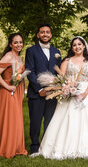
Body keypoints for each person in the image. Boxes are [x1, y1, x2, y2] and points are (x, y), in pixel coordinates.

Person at [36, 36, 88, 159]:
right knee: (67, 120)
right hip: (70, 95)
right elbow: (61, 78)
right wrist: (67, 88)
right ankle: (63, 147)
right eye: (74, 45)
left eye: (79, 44)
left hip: (87, 94)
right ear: (72, 48)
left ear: (83, 46)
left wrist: (85, 93)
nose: (77, 47)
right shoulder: (67, 61)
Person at [25, 24, 61, 154]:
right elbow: (30, 71)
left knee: (50, 120)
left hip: (52, 92)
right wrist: (39, 90)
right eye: (42, 32)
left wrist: (56, 87)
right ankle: (34, 147)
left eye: (48, 32)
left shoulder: (56, 52)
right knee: (35, 121)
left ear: (51, 35)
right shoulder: (31, 51)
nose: (45, 34)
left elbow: (59, 72)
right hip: (36, 93)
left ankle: (47, 146)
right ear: (38, 35)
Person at [0, 33, 27, 158]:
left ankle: (16, 147)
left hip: (16, 91)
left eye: (20, 42)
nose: (18, 45)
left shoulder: (20, 58)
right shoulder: (8, 56)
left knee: (15, 119)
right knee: (8, 119)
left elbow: (21, 78)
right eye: (15, 42)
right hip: (7, 91)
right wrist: (7, 86)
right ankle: (5, 149)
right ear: (10, 44)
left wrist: (22, 92)